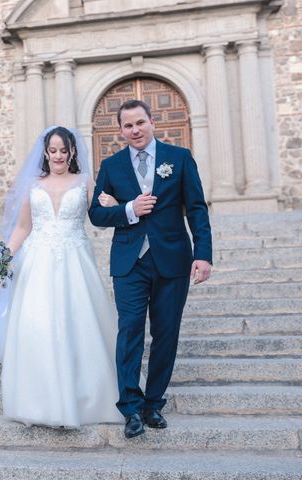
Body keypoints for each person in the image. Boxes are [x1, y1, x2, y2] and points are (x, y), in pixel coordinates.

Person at [0, 126, 122, 428]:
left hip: (75, 261)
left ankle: (88, 398)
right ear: (45, 152)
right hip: (38, 262)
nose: (58, 156)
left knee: (80, 323)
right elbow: (23, 228)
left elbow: (99, 217)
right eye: (53, 150)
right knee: (39, 325)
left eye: (64, 150)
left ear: (73, 151)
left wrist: (118, 207)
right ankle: (41, 401)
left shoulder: (86, 182)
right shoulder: (33, 186)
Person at [88, 99, 212, 439]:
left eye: (140, 122)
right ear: (120, 130)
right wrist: (128, 209)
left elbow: (197, 209)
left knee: (166, 334)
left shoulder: (180, 159)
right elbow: (95, 214)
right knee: (129, 331)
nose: (135, 130)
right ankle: (130, 407)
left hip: (173, 259)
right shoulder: (111, 166)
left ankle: (153, 402)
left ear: (152, 122)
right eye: (128, 126)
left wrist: (203, 254)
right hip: (129, 263)